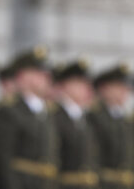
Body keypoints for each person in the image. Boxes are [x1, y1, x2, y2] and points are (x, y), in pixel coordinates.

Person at [0, 45, 59, 189]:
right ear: (23, 76)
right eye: (39, 74)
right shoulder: (9, 111)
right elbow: (4, 160)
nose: (45, 79)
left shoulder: (45, 112)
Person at [88, 63, 134, 189]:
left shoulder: (127, 120)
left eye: (126, 88)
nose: (123, 92)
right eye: (118, 87)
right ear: (104, 89)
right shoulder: (94, 117)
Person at [53, 59, 99, 189]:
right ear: (65, 85)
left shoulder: (86, 118)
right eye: (81, 84)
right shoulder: (55, 116)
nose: (88, 90)